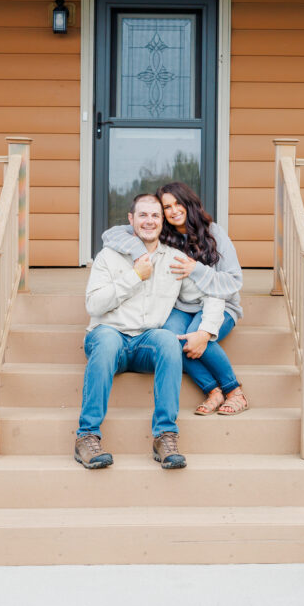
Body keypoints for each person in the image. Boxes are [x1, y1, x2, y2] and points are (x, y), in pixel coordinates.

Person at [75, 192, 225, 471]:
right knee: (107, 339)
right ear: (131, 219)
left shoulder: (174, 259)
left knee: (168, 340)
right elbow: (94, 304)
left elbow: (213, 293)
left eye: (155, 215)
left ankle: (165, 437)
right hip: (109, 336)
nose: (149, 221)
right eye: (143, 215)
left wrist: (205, 331)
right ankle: (87, 436)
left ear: (162, 222)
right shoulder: (108, 256)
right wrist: (135, 276)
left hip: (146, 342)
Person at [102, 181, 247, 416]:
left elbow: (232, 283)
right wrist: (138, 251)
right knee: (172, 339)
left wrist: (196, 269)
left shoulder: (214, 233)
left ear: (189, 204)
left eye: (178, 203)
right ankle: (213, 391)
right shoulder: (165, 234)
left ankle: (234, 391)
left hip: (221, 304)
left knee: (199, 337)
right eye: (167, 207)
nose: (174, 210)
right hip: (180, 306)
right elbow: (111, 234)